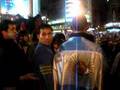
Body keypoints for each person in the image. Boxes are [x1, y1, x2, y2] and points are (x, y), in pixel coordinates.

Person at [53, 15, 103, 90]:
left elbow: (56, 78)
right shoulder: (96, 49)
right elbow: (100, 77)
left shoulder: (62, 49)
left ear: (71, 27)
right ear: (87, 27)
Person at [0, 20, 38, 90]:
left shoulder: (12, 43)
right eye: (12, 29)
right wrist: (22, 77)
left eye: (15, 28)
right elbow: (3, 73)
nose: (15, 31)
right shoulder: (2, 48)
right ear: (3, 32)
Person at [33, 24, 54, 90]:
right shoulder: (43, 50)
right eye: (44, 34)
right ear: (38, 36)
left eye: (49, 34)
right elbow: (47, 77)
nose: (47, 37)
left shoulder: (45, 48)